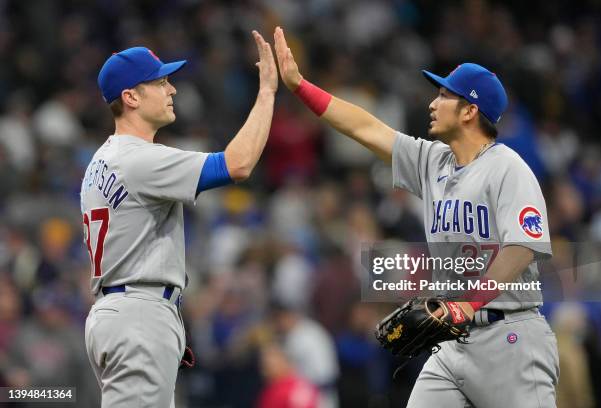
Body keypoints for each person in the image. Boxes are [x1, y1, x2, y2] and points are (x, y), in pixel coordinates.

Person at [273, 26, 559, 407]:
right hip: (452, 340)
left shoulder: (508, 168)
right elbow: (365, 127)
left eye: (444, 95)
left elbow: (522, 247)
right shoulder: (432, 161)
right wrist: (300, 86)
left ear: (471, 110)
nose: (432, 103)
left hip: (509, 338)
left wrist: (467, 304)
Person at [80, 30, 277, 408]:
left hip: (124, 310)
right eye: (161, 81)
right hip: (138, 313)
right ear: (131, 97)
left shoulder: (103, 159)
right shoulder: (136, 159)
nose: (172, 90)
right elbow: (237, 164)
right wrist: (267, 93)